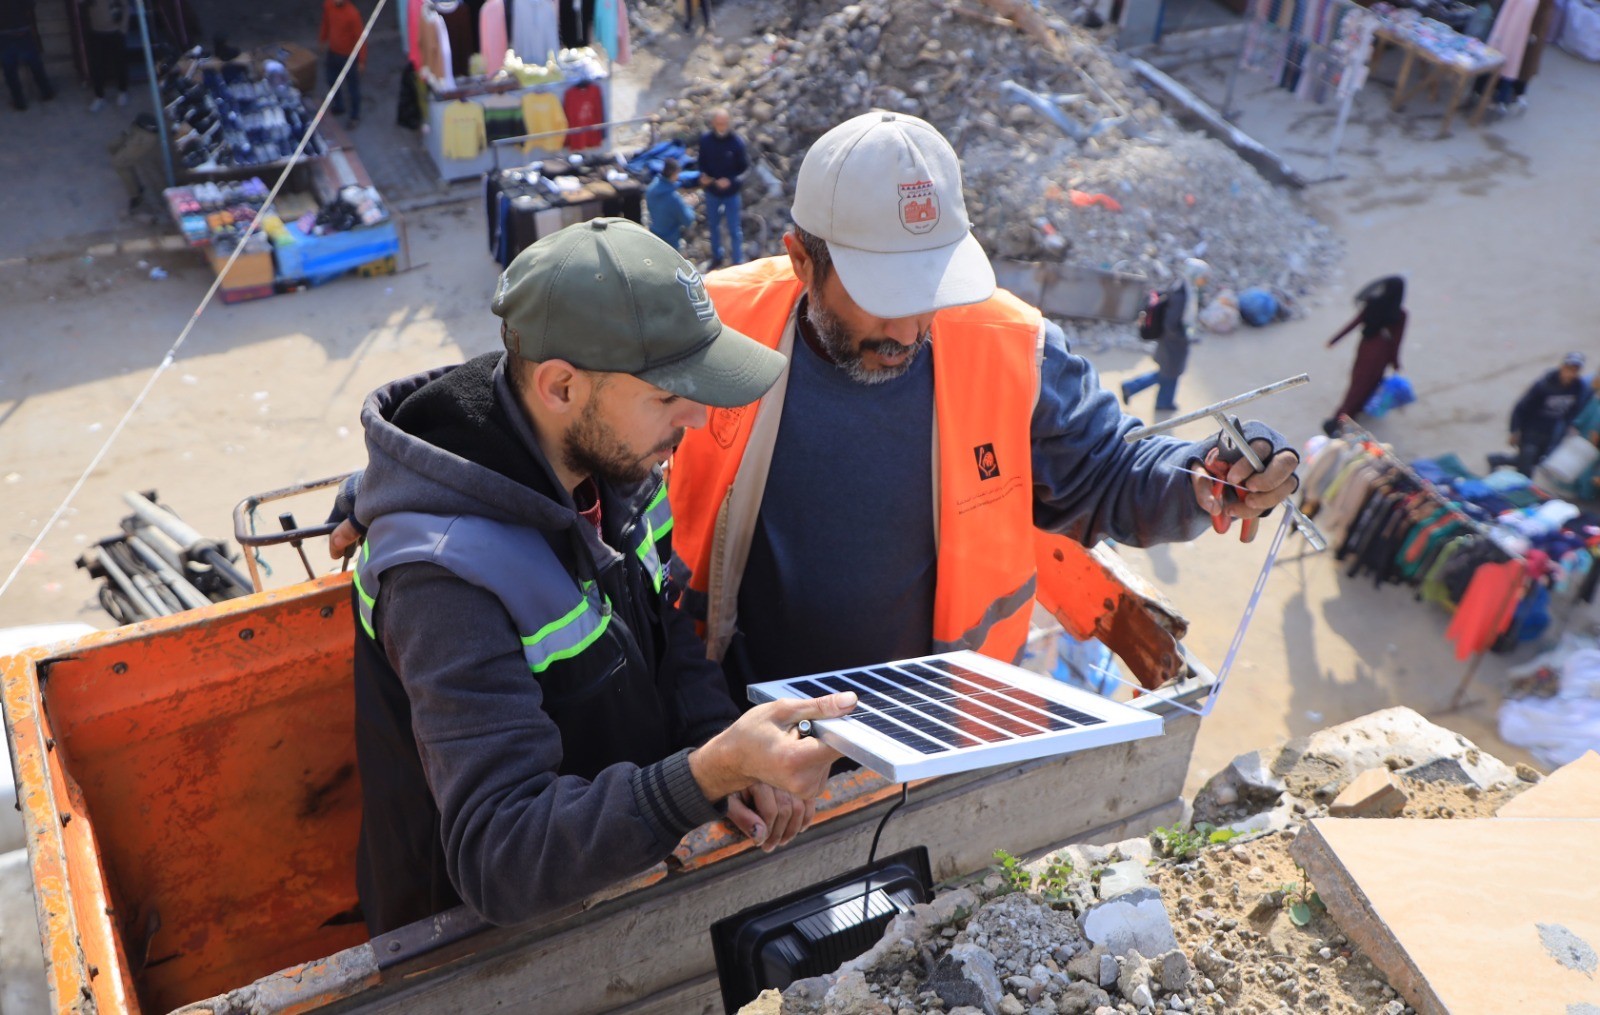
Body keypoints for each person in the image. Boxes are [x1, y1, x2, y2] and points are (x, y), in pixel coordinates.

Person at [667, 111, 1301, 697]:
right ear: (803, 260)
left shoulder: (1014, 348)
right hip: (728, 702)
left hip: (930, 725)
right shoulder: (714, 325)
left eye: (928, 291)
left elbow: (1107, 471)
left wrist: (1202, 476)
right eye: (883, 296)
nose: (909, 330)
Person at [348, 219, 855, 935]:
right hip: (484, 948)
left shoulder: (617, 469)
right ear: (561, 386)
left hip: (620, 869)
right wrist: (703, 774)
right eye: (667, 396)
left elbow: (669, 639)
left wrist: (724, 756)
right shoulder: (443, 579)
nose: (696, 417)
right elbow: (500, 856)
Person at [1120, 257, 1211, 413]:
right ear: (1194, 275)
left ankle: (1145, 393)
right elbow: (1171, 323)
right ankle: (1157, 399)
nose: (1204, 281)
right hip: (1173, 343)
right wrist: (1183, 337)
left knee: (1168, 372)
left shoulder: (1185, 290)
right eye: (1203, 277)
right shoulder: (1181, 296)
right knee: (1169, 373)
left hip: (1172, 342)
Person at [1321, 275, 1406, 437]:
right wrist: (1395, 363)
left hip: (1365, 348)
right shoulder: (1399, 314)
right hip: (1381, 353)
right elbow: (1396, 341)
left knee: (1357, 384)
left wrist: (1333, 340)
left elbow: (1354, 323)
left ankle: (1344, 415)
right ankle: (1339, 421)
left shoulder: (1373, 304)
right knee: (1365, 386)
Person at [1490, 352, 1591, 476]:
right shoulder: (1545, 385)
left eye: (1575, 370)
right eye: (1568, 369)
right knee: (1526, 469)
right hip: (1530, 429)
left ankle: (1497, 459)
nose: (1570, 374)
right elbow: (1521, 407)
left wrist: (1570, 425)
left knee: (1533, 461)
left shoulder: (1577, 388)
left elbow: (1573, 409)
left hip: (1549, 431)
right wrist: (1514, 430)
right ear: (1562, 367)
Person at [697, 108, 748, 268]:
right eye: (719, 123)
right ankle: (717, 257)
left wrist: (731, 181)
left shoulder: (737, 142)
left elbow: (744, 169)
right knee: (714, 226)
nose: (722, 127)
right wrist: (706, 177)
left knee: (734, 228)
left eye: (725, 123)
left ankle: (737, 261)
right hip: (712, 191)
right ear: (713, 123)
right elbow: (701, 164)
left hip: (731, 193)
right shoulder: (706, 141)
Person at [0, 0, 54, 111]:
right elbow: (31, 5)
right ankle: (46, 91)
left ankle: (19, 101)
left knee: (10, 69)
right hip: (22, 29)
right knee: (35, 63)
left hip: (4, 32)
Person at [319, 0, 366, 128]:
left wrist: (361, 61)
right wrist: (323, 39)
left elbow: (360, 38)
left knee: (352, 88)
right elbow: (326, 23)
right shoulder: (328, 5)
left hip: (349, 57)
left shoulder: (353, 14)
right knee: (331, 79)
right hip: (333, 52)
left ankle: (355, 116)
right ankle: (339, 105)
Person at [108, 112, 162, 213]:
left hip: (143, 136)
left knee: (119, 163)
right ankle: (136, 187)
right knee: (113, 149)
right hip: (138, 128)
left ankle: (136, 195)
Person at [81, 0, 129, 112]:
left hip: (115, 31)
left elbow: (125, 6)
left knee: (120, 63)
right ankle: (99, 96)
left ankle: (122, 91)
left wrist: (123, 28)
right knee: (96, 65)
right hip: (96, 32)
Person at [645, 157, 697, 251]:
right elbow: (688, 220)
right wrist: (689, 205)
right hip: (670, 243)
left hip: (654, 237)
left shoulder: (651, 188)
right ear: (674, 174)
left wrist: (681, 203)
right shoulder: (674, 198)